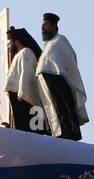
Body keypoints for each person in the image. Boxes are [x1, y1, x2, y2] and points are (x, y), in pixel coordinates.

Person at [36, 13, 89, 141]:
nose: (43, 28)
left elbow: (69, 61)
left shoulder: (60, 40)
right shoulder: (47, 45)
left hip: (59, 83)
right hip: (48, 84)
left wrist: (59, 73)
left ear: (54, 26)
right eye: (42, 25)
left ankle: (68, 134)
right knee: (53, 113)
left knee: (64, 110)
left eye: (46, 25)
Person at [4, 28, 47, 134]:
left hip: (28, 102)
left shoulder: (26, 52)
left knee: (33, 137)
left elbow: (27, 76)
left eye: (9, 43)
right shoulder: (18, 55)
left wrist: (22, 93)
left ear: (16, 41)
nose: (8, 46)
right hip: (21, 101)